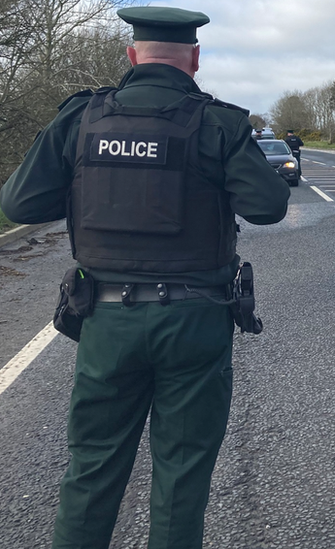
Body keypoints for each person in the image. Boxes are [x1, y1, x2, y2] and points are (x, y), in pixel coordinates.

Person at [0, 6, 290, 548]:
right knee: (181, 478)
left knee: (91, 471)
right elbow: (268, 206)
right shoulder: (219, 124)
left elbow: (20, 202)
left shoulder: (81, 118)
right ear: (194, 61)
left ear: (132, 55)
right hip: (196, 321)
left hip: (105, 319)